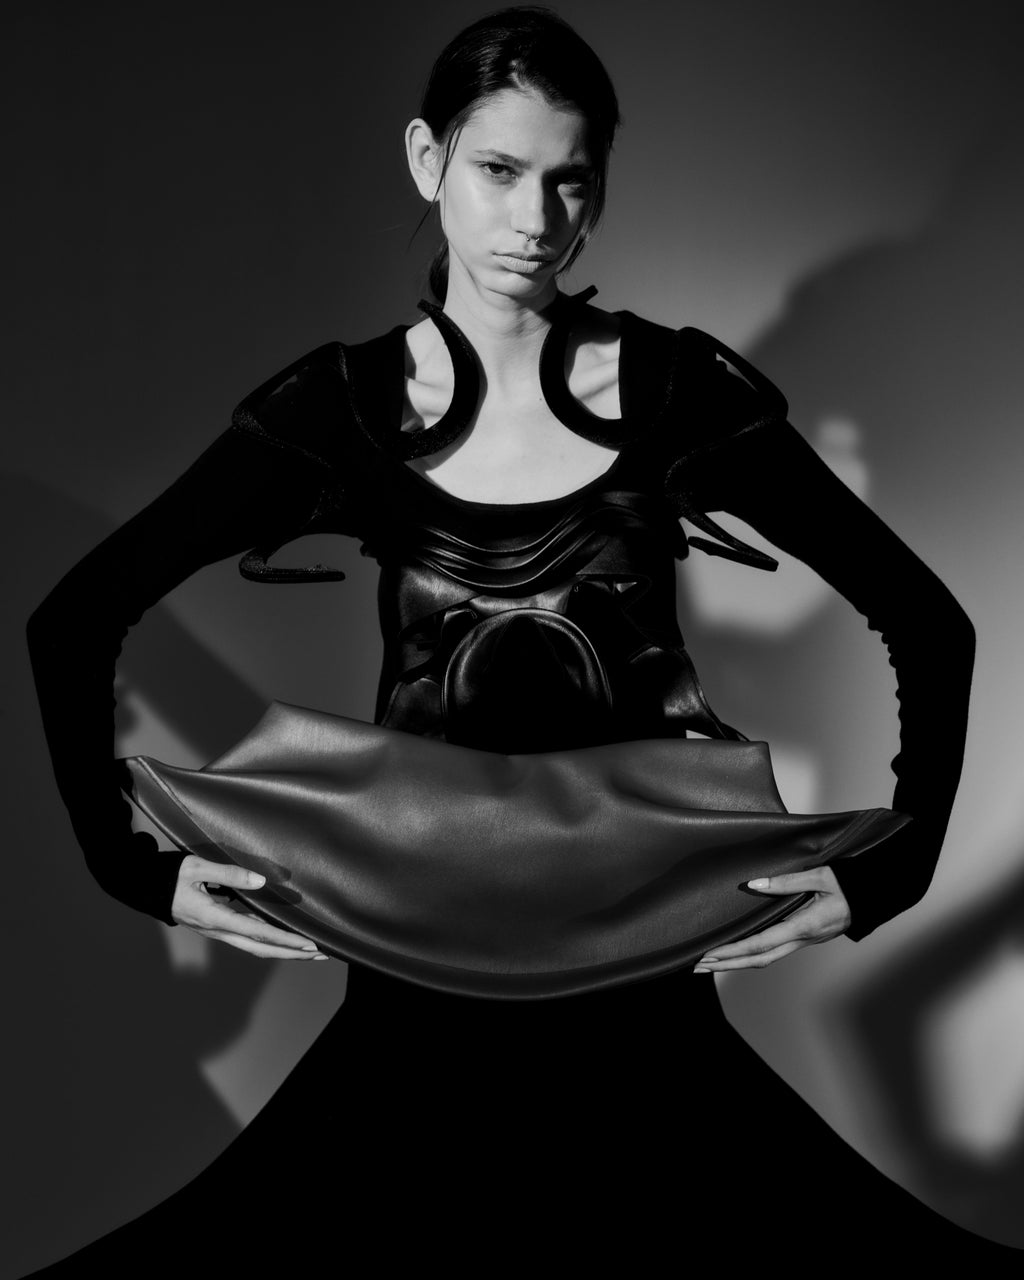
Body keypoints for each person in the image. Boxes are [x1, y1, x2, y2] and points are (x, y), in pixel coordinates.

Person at [23, 5, 1017, 1271]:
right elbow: (77, 618)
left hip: (637, 990)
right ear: (425, 160)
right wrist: (138, 868)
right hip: (412, 995)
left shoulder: (674, 394)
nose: (534, 220)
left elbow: (929, 621)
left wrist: (891, 872)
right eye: (498, 170)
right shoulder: (341, 411)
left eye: (569, 181)